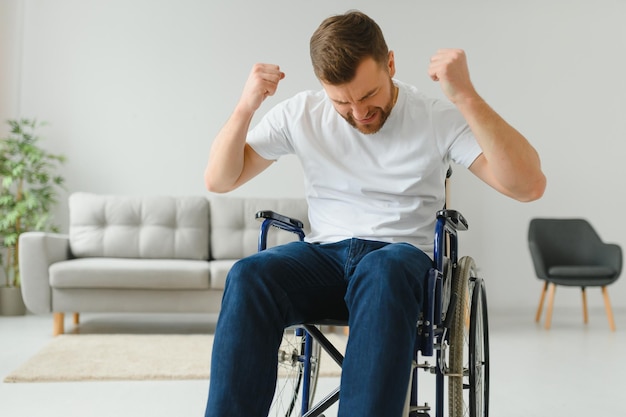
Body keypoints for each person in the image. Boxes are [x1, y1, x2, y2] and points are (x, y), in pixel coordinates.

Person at [203, 10, 545, 417]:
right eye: (342, 102)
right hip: (325, 256)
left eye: (368, 96)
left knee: (382, 271)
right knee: (248, 275)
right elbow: (220, 179)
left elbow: (528, 186)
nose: (359, 112)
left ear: (391, 65)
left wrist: (466, 95)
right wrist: (246, 105)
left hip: (400, 258)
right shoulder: (301, 113)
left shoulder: (434, 117)